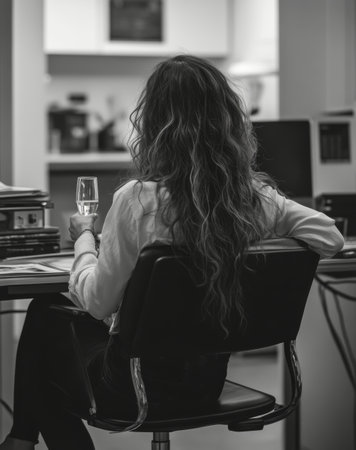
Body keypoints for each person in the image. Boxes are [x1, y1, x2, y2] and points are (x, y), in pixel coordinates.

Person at [0, 54, 344, 450]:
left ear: (153, 124)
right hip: (207, 382)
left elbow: (96, 302)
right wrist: (258, 240)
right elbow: (329, 237)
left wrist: (84, 239)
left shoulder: (138, 201)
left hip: (133, 389)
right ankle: (21, 439)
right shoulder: (255, 199)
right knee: (56, 335)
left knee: (46, 317)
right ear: (228, 122)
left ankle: (22, 438)